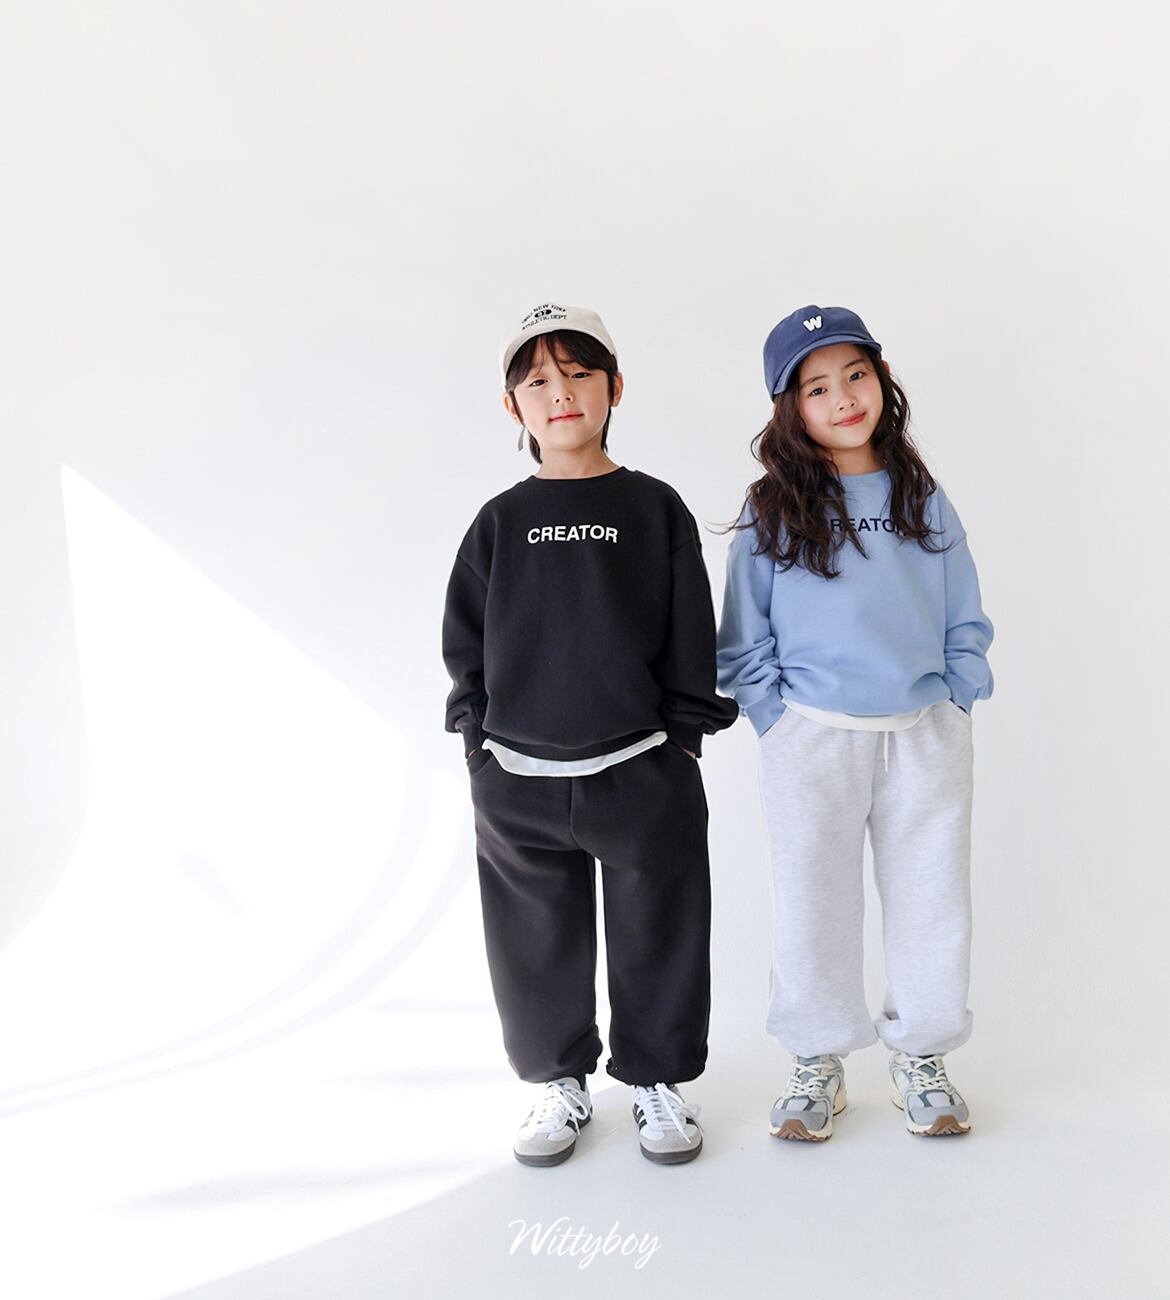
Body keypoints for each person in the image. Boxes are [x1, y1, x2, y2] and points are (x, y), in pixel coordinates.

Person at [442, 303, 737, 1166]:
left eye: (578, 373)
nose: (560, 393)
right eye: (537, 381)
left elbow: (690, 632)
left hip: (641, 767)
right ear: (513, 407)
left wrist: (681, 741)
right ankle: (558, 1083)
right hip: (517, 776)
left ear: (614, 387)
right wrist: (478, 746)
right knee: (532, 938)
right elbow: (466, 645)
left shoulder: (653, 507)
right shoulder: (499, 522)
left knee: (661, 927)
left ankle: (656, 1080)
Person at [716, 304, 993, 1140]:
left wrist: (957, 696)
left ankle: (922, 1055)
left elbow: (962, 610)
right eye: (817, 387)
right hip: (810, 736)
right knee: (813, 905)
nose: (843, 398)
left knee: (932, 902)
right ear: (789, 407)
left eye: (856, 375)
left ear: (882, 379)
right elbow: (743, 634)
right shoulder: (772, 507)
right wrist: (775, 718)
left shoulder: (921, 496)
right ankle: (817, 1060)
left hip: (923, 732)